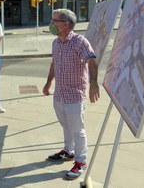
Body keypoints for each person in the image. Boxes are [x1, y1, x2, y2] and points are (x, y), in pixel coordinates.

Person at [42, 9, 99, 180]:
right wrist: (48, 82)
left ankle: (81, 161)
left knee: (77, 129)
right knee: (66, 125)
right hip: (59, 94)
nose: (51, 23)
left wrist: (94, 83)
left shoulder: (79, 42)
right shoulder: (56, 43)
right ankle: (68, 151)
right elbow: (54, 63)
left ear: (65, 24)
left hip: (75, 95)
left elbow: (91, 60)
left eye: (54, 20)